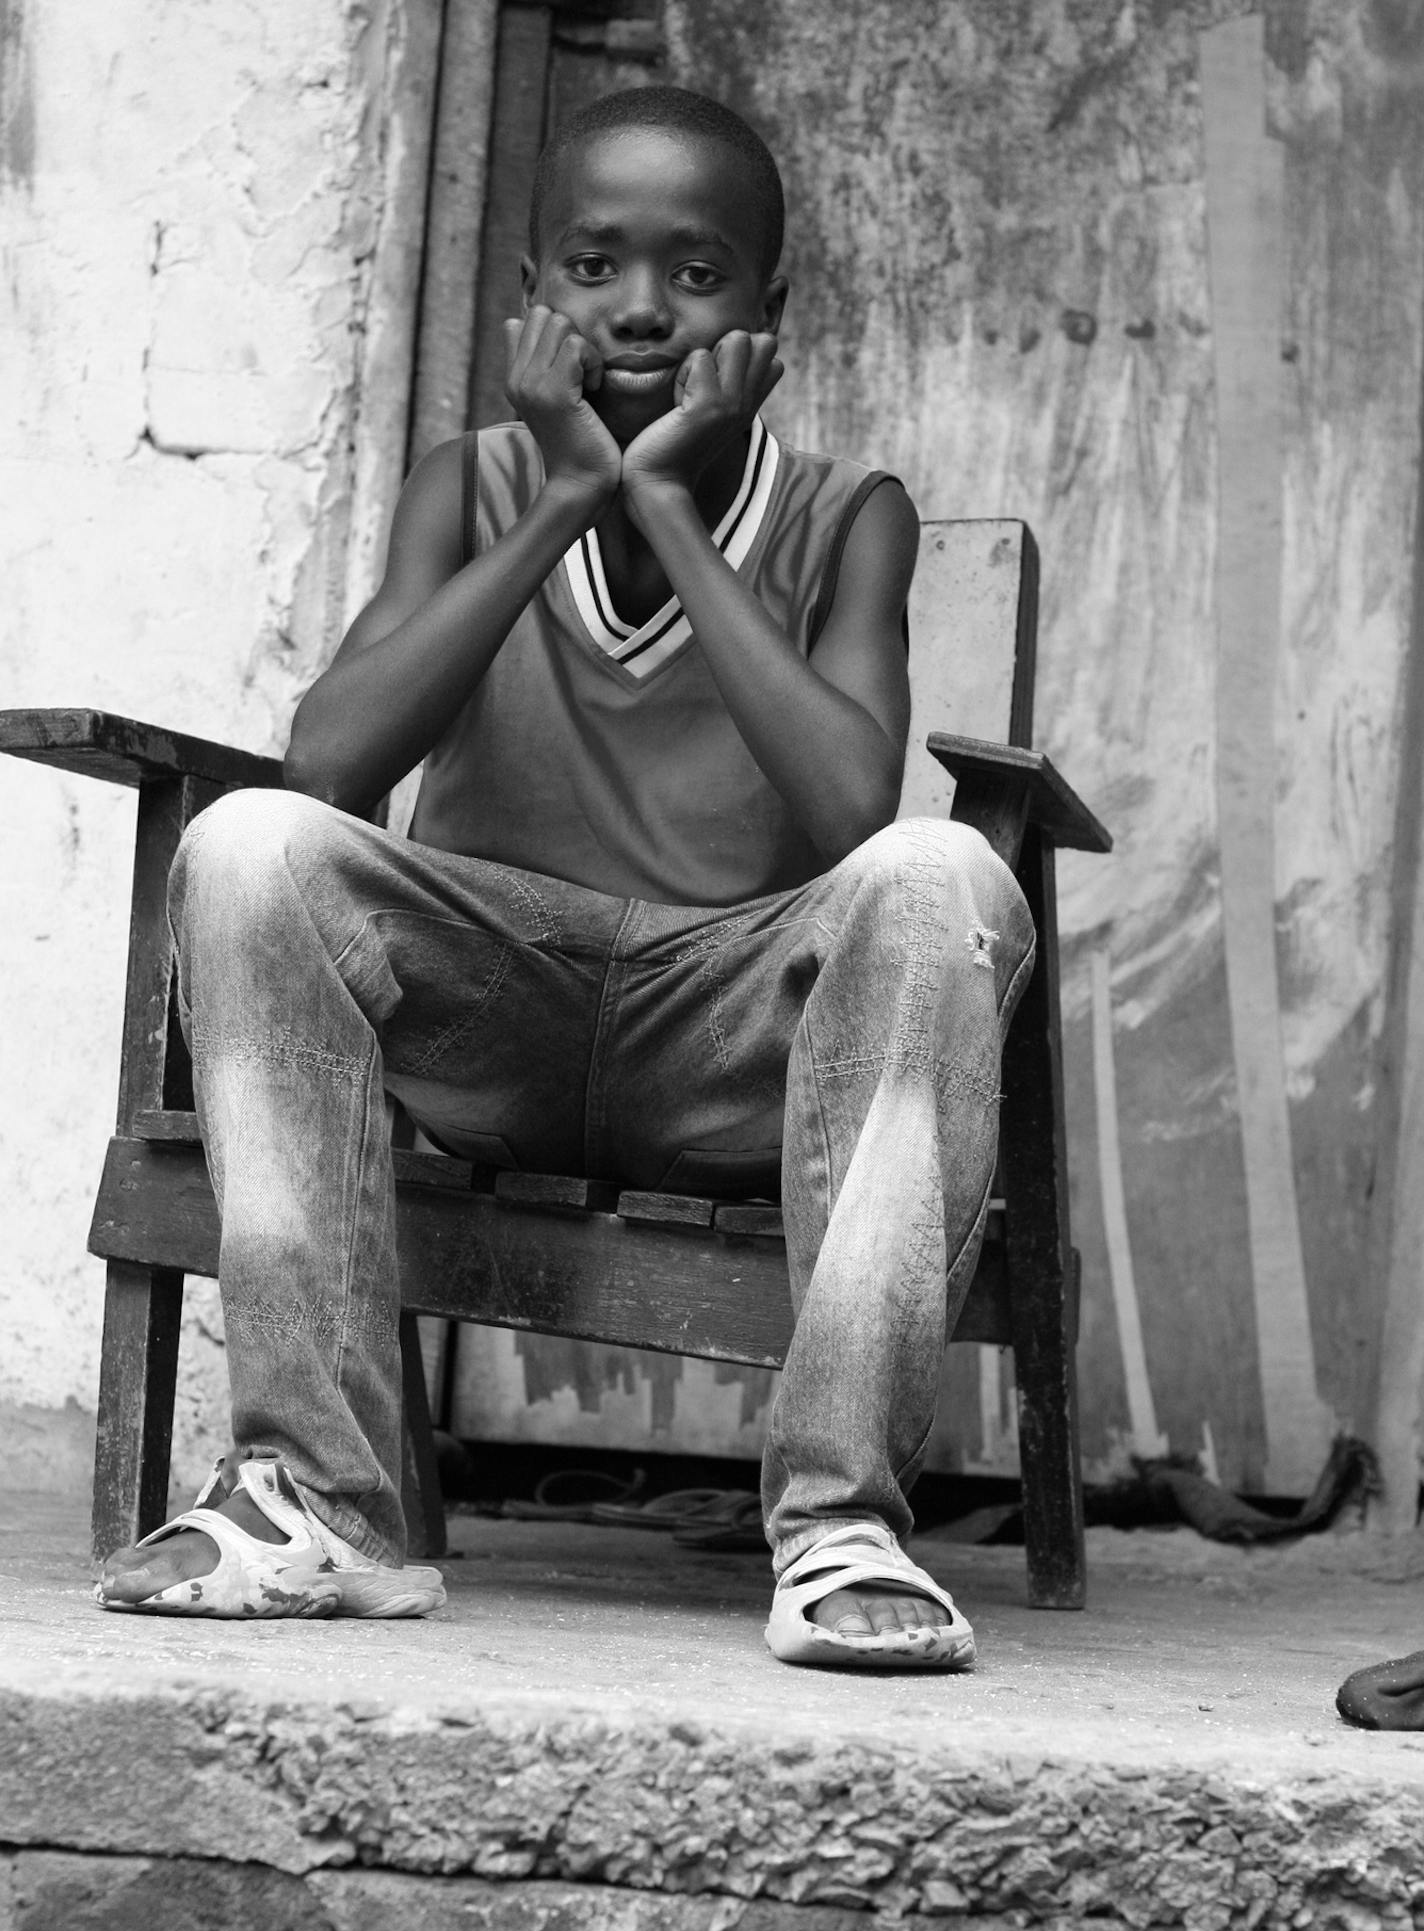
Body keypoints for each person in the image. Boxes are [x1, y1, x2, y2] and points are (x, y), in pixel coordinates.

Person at [97, 86, 1034, 1668]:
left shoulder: (845, 515)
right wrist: (559, 506)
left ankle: (840, 1523)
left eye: (696, 272)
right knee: (250, 841)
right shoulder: (469, 485)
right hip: (489, 1016)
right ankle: (316, 1506)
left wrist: (662, 507)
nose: (641, 309)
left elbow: (842, 806)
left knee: (940, 871)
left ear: (770, 313)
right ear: (534, 296)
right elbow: (331, 765)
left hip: (731, 1032)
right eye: (595, 266)